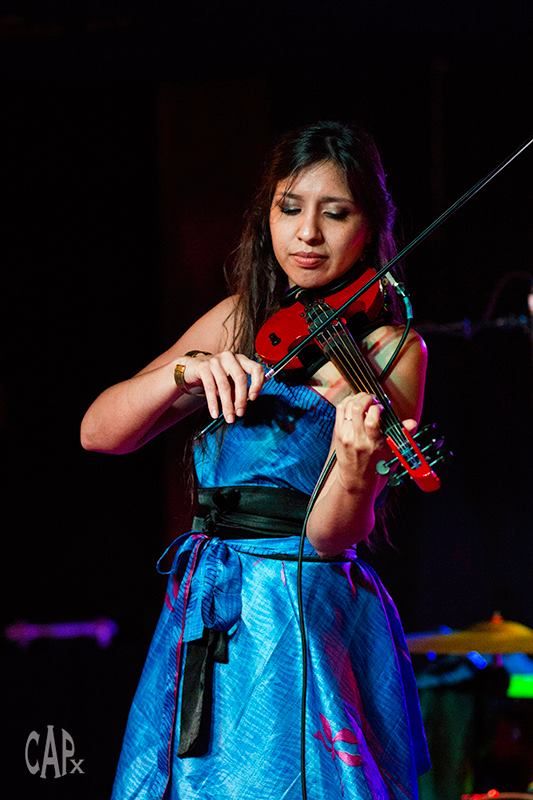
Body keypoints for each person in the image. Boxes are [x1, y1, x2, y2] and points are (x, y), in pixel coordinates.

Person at [81, 120, 431, 799]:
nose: (307, 234)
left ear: (370, 227)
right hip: (210, 601)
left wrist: (354, 464)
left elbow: (330, 535)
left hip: (303, 608)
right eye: (289, 208)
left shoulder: (393, 350)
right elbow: (99, 432)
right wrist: (184, 372)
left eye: (335, 213)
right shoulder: (239, 320)